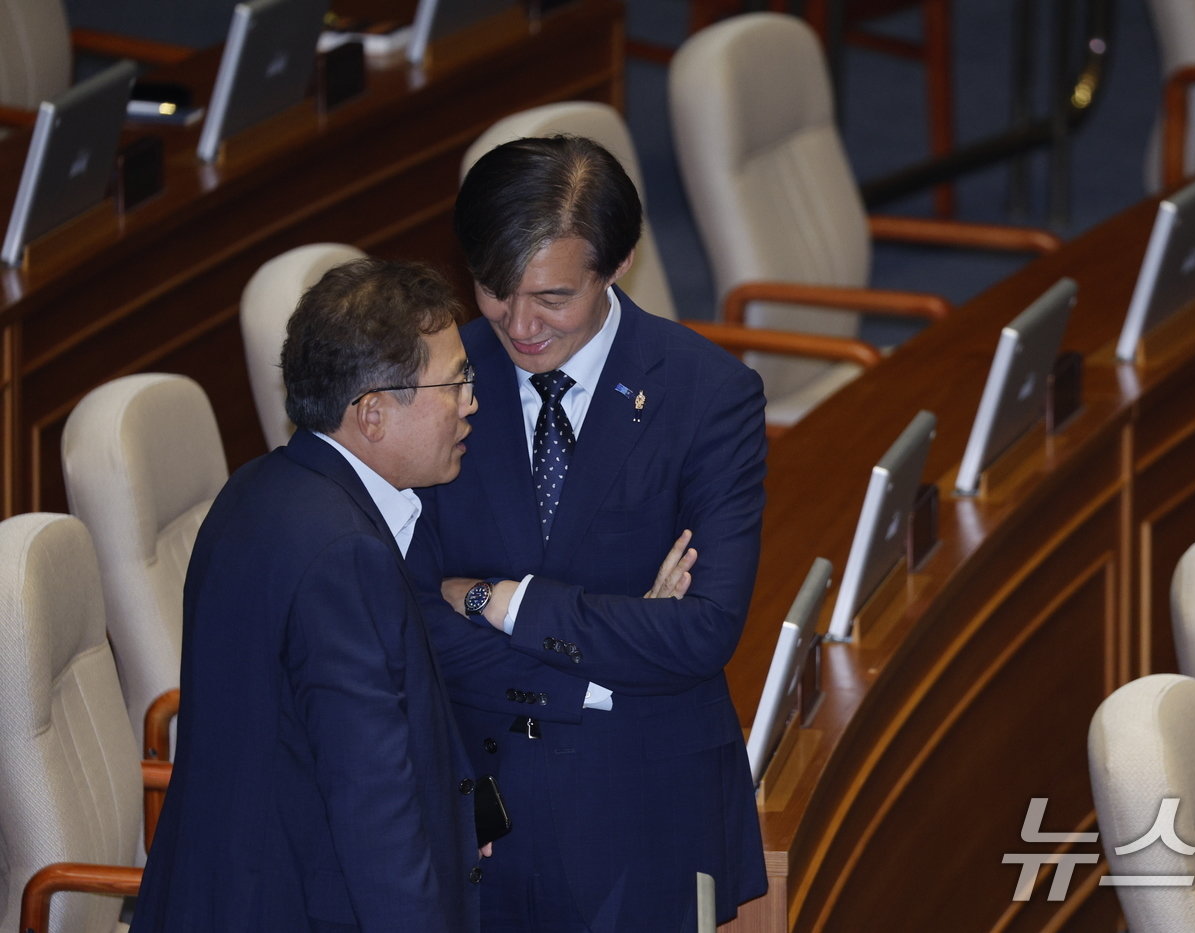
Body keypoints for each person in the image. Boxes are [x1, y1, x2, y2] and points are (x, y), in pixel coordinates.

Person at [407, 134, 768, 932]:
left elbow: (705, 630)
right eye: (495, 289)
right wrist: (609, 651)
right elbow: (409, 617)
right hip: (477, 790)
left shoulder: (709, 395)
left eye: (553, 297)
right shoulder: (433, 378)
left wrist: (499, 600)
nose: (520, 324)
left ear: (621, 262)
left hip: (645, 796)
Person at [131, 259, 486, 932]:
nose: (472, 401)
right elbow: (372, 807)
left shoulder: (254, 489)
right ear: (373, 413)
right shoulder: (343, 556)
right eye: (456, 383)